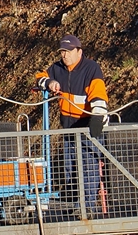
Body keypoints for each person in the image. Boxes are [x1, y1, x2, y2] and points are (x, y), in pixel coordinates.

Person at [34, 35, 109, 216]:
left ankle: (88, 206)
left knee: (88, 166)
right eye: (62, 52)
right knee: (71, 166)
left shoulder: (91, 69)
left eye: (68, 51)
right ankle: (78, 203)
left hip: (87, 126)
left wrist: (98, 117)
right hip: (68, 127)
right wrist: (49, 82)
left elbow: (98, 94)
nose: (64, 55)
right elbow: (39, 76)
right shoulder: (57, 68)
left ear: (79, 51)